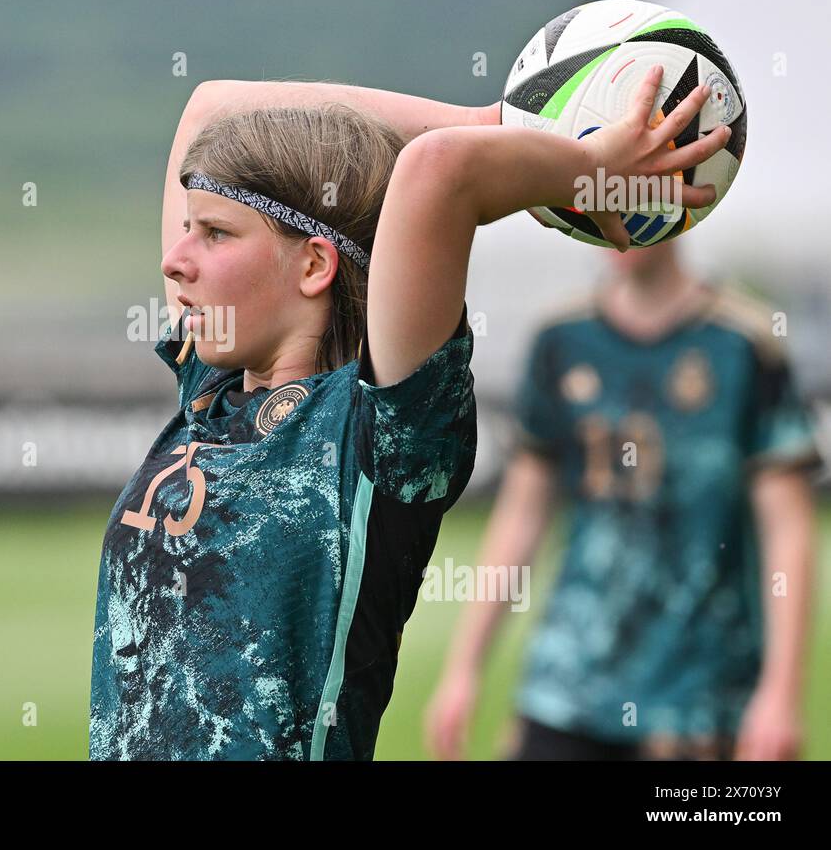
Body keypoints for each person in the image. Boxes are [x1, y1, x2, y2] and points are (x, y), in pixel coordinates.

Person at [90, 65, 730, 759]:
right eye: (187, 229)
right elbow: (210, 106)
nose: (177, 260)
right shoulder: (209, 393)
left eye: (215, 233)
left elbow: (439, 168)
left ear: (313, 267)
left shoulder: (378, 434)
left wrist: (577, 160)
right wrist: (500, 116)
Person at [425, 241, 821, 761]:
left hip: (700, 695)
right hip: (566, 689)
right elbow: (521, 516)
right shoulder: (561, 338)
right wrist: (463, 669)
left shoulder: (745, 343)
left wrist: (781, 695)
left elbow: (787, 530)